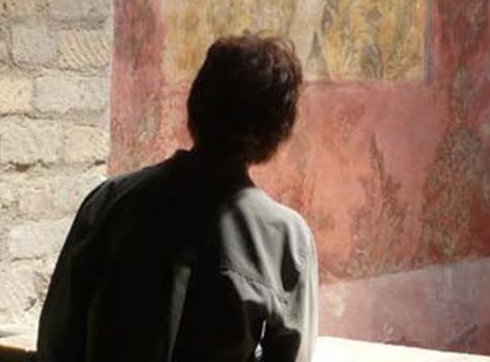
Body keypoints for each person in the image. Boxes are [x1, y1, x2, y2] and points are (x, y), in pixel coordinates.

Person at [37, 32, 317, 362]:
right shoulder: (284, 239)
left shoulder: (111, 202)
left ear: (195, 104)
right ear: (277, 129)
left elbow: (56, 343)